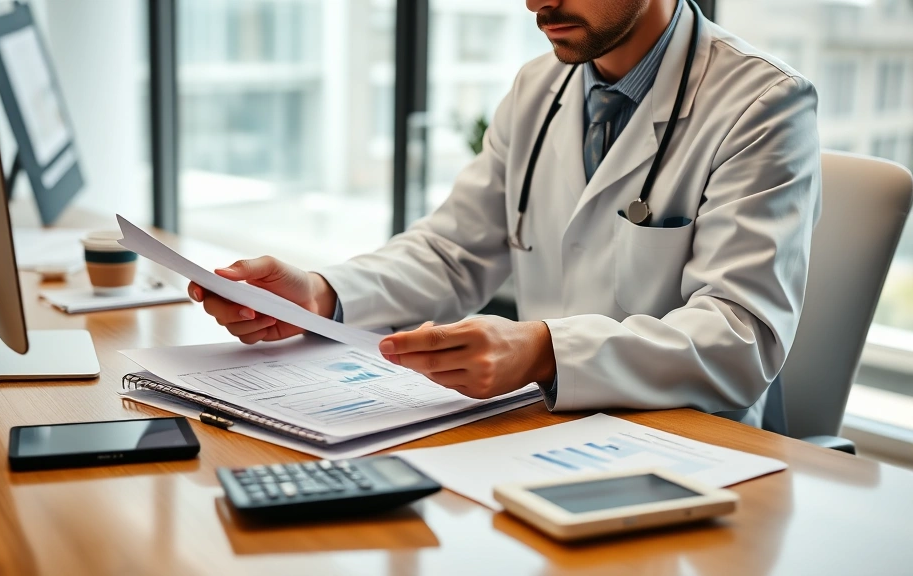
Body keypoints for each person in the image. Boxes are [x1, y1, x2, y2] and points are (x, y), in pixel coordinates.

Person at [188, 0, 820, 431]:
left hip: (687, 447)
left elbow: (742, 337)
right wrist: (322, 295)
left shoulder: (763, 103)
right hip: (541, 430)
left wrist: (546, 351)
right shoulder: (538, 88)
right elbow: (452, 251)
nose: (535, 2)